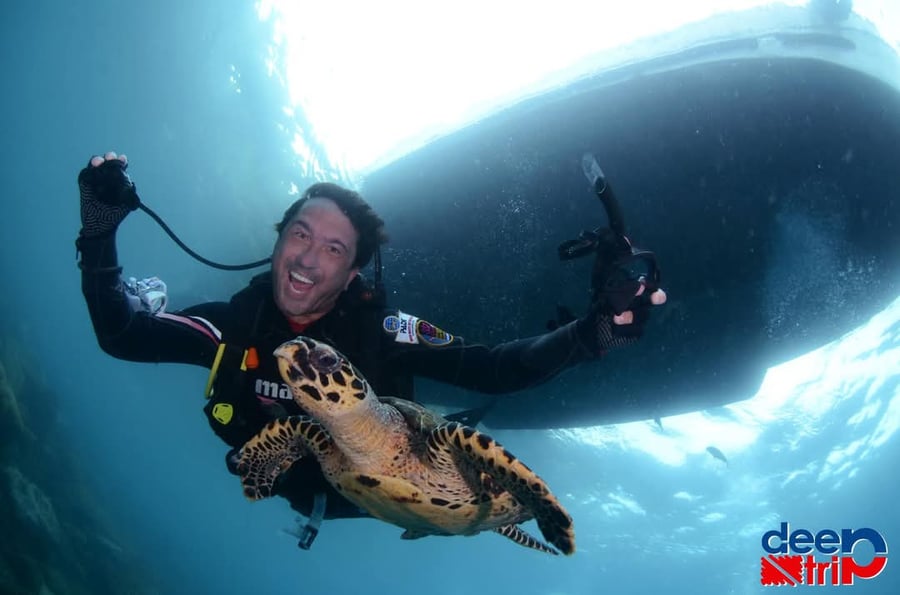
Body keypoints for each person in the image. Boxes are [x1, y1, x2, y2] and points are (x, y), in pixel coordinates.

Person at [76, 151, 666, 530]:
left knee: (461, 427)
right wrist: (99, 232)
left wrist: (591, 335)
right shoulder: (237, 323)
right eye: (300, 235)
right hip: (316, 491)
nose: (308, 259)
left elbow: (493, 367)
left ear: (353, 273)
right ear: (278, 241)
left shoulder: (388, 329)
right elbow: (122, 334)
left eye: (334, 249)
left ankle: (453, 435)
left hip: (406, 469)